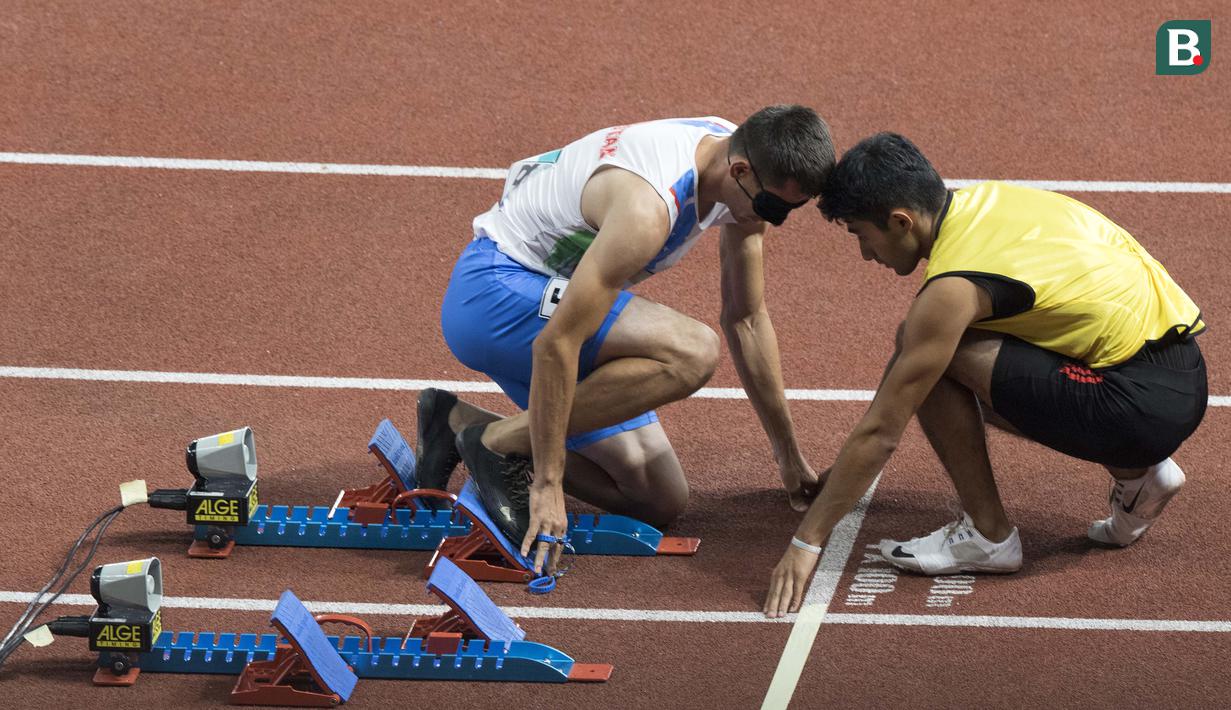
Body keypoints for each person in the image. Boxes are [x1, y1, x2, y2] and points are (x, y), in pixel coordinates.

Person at [763, 132, 1207, 618]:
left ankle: (989, 535)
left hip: (1136, 408)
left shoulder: (953, 288)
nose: (867, 255)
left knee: (930, 353)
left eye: (859, 235)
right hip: (1182, 371)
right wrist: (841, 476)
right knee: (933, 345)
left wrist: (806, 543)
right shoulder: (990, 201)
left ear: (901, 221)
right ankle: (1139, 472)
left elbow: (883, 430)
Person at [417, 106, 837, 574]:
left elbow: (747, 320)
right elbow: (557, 345)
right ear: (740, 170)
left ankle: (458, 425)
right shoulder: (647, 209)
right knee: (690, 351)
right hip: (492, 295)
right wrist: (548, 482)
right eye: (774, 207)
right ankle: (498, 444)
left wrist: (789, 457)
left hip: (543, 297)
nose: (776, 221)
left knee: (657, 499)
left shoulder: (738, 157)